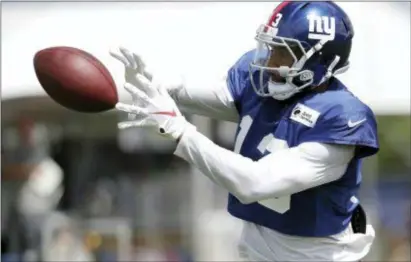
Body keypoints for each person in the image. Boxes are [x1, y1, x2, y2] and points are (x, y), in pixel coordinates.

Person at [111, 1, 379, 261]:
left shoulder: (341, 116)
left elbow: (254, 183)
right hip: (257, 247)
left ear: (319, 61)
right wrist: (154, 85)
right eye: (271, 48)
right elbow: (200, 94)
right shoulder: (265, 81)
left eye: (283, 52)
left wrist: (179, 130)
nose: (271, 62)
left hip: (315, 255)